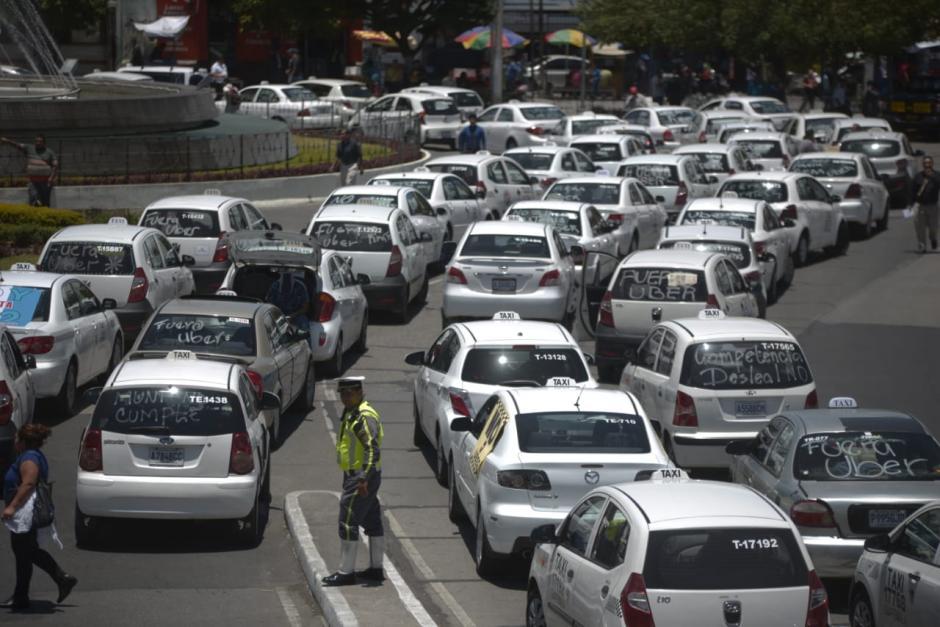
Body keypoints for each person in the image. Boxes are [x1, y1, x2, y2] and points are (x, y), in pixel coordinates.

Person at [1, 424, 77, 610]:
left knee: (26, 551)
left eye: (17, 439)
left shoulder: (29, 458)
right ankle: (21, 596)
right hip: (25, 510)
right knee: (24, 553)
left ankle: (62, 578)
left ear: (24, 441)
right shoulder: (30, 455)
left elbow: (28, 484)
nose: (15, 442)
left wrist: (11, 507)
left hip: (25, 511)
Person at [322, 377, 384, 586]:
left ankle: (346, 572)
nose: (344, 398)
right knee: (371, 519)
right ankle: (376, 569)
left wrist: (363, 479)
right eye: (342, 394)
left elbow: (371, 449)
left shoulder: (362, 417)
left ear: (359, 392)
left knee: (348, 519)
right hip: (359, 474)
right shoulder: (353, 412)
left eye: (349, 394)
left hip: (362, 476)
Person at [0, 135, 58, 207]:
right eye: (36, 141)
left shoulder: (49, 152)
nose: (38, 143)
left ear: (44, 143)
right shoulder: (29, 148)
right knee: (33, 199)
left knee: (45, 201)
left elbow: (55, 166)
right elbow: (17, 145)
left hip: (45, 182)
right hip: (33, 181)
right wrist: (7, 141)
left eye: (40, 141)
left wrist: (51, 178)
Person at [911, 156, 940, 253]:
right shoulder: (918, 176)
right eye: (925, 163)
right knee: (920, 227)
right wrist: (910, 203)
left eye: (929, 163)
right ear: (922, 165)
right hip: (921, 205)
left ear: (932, 164)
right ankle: (922, 245)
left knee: (933, 227)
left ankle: (933, 238)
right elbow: (913, 191)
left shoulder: (937, 175)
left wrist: (931, 176)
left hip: (933, 205)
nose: (927, 165)